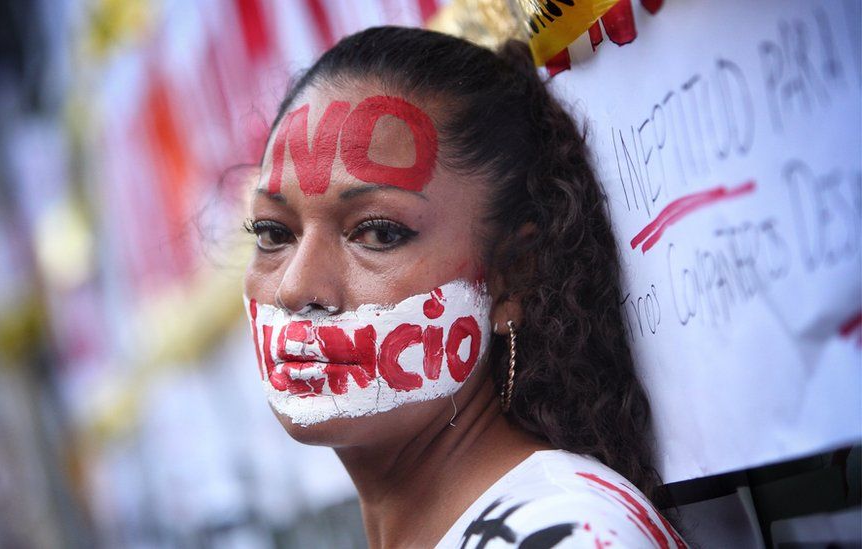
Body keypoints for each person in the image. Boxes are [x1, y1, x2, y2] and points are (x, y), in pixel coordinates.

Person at [243, 25, 687, 548]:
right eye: (274, 233)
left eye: (379, 233)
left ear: (511, 276)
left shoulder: (564, 534)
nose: (296, 289)